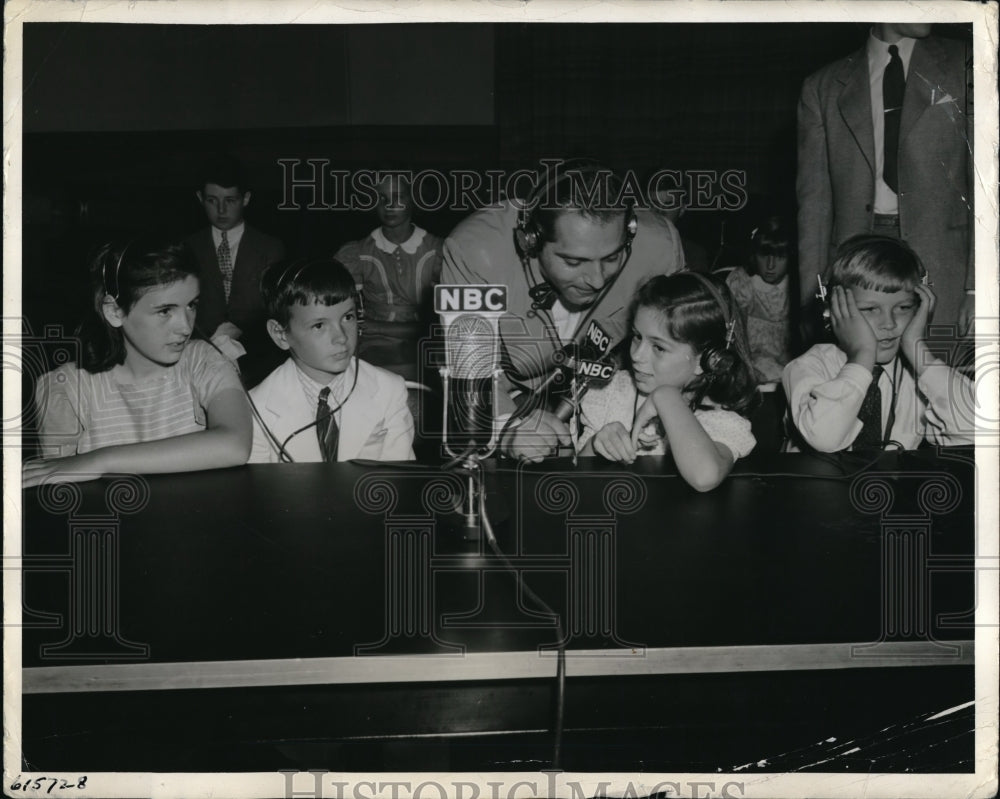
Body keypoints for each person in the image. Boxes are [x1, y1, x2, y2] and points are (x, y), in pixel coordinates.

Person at [441, 161, 685, 462]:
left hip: (605, 395)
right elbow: (470, 370)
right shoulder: (472, 252)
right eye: (573, 262)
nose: (596, 280)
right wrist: (505, 428)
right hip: (506, 391)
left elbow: (681, 349)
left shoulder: (660, 247)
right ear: (530, 241)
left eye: (612, 257)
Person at [23, 238, 252, 488]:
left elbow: (235, 444)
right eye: (165, 311)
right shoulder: (65, 388)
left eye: (191, 306)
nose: (186, 327)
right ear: (114, 312)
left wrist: (102, 460)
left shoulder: (203, 360)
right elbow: (59, 486)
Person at [796, 23, 973, 345]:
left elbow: (988, 184)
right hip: (856, 263)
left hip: (947, 266)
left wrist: (978, 287)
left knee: (939, 377)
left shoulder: (969, 61)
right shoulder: (821, 87)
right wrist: (815, 297)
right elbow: (814, 206)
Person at [783, 234, 975, 452]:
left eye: (903, 308)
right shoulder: (806, 367)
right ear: (831, 312)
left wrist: (918, 350)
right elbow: (825, 439)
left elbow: (976, 428)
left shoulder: (916, 374)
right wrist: (862, 355)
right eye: (870, 309)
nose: (889, 323)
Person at [577, 272, 758, 492]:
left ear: (708, 360)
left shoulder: (720, 421)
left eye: (659, 347)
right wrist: (596, 444)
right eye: (637, 336)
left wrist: (666, 397)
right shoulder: (611, 392)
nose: (637, 355)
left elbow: (705, 476)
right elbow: (576, 476)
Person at [247, 257, 414, 463]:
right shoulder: (255, 409)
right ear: (281, 334)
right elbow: (258, 492)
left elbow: (398, 477)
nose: (341, 337)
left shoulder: (389, 390)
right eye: (319, 326)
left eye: (348, 317)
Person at [186, 155, 286, 384]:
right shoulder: (187, 248)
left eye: (230, 200)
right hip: (197, 351)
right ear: (200, 198)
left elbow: (273, 310)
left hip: (257, 355)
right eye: (212, 200)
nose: (221, 210)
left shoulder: (270, 247)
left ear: (246, 199)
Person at [334, 173, 444, 378]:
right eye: (381, 198)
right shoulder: (358, 253)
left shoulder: (438, 250)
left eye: (399, 197)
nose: (389, 205)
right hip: (375, 347)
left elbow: (442, 322)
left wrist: (378, 327)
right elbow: (351, 318)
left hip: (427, 343)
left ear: (414, 199)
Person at [725, 216, 794, 383]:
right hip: (750, 363)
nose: (770, 265)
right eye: (764, 255)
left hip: (789, 364)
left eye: (779, 256)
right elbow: (734, 338)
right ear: (754, 255)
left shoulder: (797, 287)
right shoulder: (743, 284)